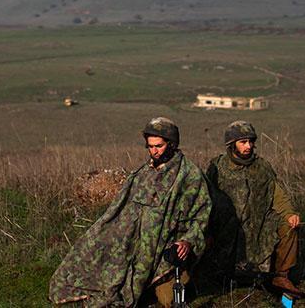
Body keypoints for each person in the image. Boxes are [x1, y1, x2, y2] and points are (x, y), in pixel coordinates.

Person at [49, 117, 211, 307]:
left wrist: (188, 240)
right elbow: (121, 209)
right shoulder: (142, 173)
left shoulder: (189, 175)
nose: (154, 151)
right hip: (132, 243)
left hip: (166, 249)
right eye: (150, 147)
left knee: (168, 299)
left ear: (172, 144)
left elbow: (202, 214)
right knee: (98, 264)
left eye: (159, 146)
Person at [203, 120, 302, 296]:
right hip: (227, 226)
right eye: (243, 142)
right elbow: (205, 197)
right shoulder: (217, 167)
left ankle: (281, 276)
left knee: (288, 226)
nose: (248, 146)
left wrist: (289, 214)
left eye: (251, 141)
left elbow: (277, 194)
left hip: (260, 223)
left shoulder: (262, 167)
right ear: (232, 144)